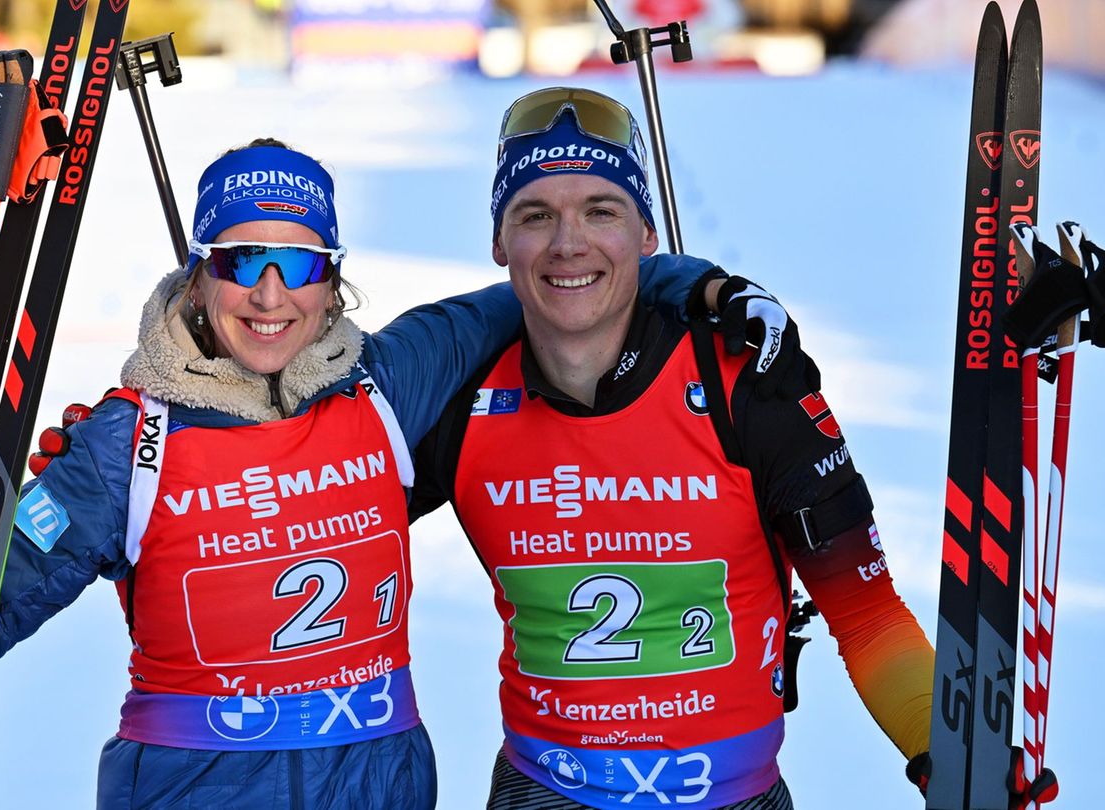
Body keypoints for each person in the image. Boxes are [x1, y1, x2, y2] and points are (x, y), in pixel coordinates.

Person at [0, 136, 803, 808]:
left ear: (332, 279)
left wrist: (703, 286)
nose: (269, 294)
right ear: (199, 276)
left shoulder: (385, 387)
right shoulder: (126, 444)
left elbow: (564, 276)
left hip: (379, 783)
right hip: (193, 787)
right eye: (240, 260)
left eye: (298, 264)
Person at [405, 87, 1017, 809]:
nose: (568, 243)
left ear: (646, 234)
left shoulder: (746, 377)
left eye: (602, 210)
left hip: (731, 798)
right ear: (500, 243)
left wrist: (945, 754)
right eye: (535, 215)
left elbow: (866, 610)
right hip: (541, 791)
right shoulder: (461, 399)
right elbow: (309, 513)